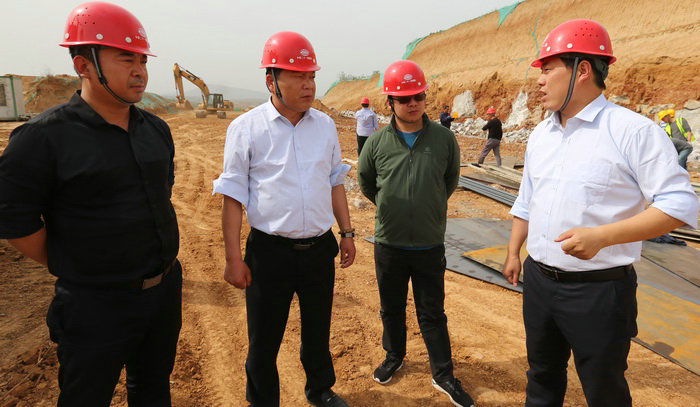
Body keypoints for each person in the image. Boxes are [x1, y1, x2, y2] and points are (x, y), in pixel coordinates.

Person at [501, 19, 698, 407]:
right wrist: (513, 252)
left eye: (548, 69)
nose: (539, 80)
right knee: (541, 375)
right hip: (539, 281)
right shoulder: (541, 135)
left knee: (603, 388)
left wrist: (602, 237)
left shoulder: (632, 132)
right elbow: (527, 200)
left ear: (583, 70)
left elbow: (679, 205)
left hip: (599, 291)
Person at [0, 2, 182, 405]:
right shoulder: (42, 138)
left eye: (142, 60)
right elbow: (15, 221)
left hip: (163, 292)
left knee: (153, 388)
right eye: (126, 59)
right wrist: (78, 264)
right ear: (84, 65)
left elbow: (162, 194)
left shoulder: (155, 130)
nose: (140, 71)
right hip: (94, 304)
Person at [212, 31, 356, 407]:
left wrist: (347, 232)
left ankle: (320, 390)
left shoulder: (324, 126)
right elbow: (232, 197)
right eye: (298, 76)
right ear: (271, 81)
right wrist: (233, 258)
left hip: (318, 249)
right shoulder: (246, 129)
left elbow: (335, 182)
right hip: (269, 252)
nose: (308, 85)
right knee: (264, 337)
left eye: (311, 76)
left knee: (317, 330)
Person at [358, 60, 474, 407]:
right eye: (404, 98)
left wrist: (428, 206)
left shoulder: (444, 139)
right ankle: (394, 356)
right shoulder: (376, 143)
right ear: (390, 102)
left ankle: (443, 373)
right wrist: (391, 206)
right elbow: (367, 183)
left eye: (418, 96)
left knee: (432, 312)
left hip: (428, 243)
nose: (413, 103)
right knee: (391, 307)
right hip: (389, 242)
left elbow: (449, 181)